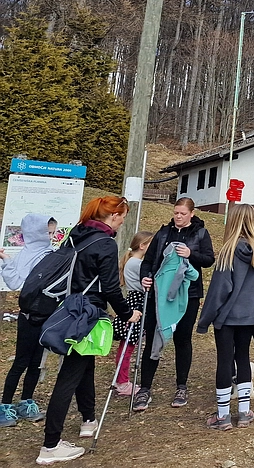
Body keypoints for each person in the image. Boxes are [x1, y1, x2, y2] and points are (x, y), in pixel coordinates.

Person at [37, 196, 141, 465]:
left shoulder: (76, 235)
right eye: (122, 217)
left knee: (84, 365)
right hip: (88, 313)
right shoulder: (105, 243)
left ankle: (88, 419)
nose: (123, 222)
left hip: (70, 307)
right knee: (69, 376)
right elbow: (111, 288)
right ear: (113, 216)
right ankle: (50, 445)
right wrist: (128, 313)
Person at [197, 204, 254, 431]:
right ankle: (244, 413)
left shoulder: (229, 251)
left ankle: (223, 416)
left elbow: (219, 290)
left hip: (226, 317)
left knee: (224, 360)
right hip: (250, 317)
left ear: (233, 221)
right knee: (242, 357)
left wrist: (204, 320)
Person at [133, 197, 215, 412]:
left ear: (192, 214)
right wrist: (145, 277)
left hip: (189, 294)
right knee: (153, 337)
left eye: (182, 213)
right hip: (159, 294)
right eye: (176, 213)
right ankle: (145, 388)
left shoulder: (200, 233)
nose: (178, 216)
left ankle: (181, 387)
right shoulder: (163, 234)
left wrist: (191, 254)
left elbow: (209, 260)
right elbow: (148, 262)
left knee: (182, 339)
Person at [0, 214, 57, 426]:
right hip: (28, 316)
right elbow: (15, 281)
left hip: (46, 315)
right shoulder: (25, 256)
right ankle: (5, 405)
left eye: (52, 233)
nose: (50, 237)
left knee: (36, 362)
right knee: (21, 361)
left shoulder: (53, 254)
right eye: (47, 233)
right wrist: (7, 261)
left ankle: (26, 400)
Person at [111, 231, 153, 398]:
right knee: (128, 345)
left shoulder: (133, 261)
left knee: (128, 344)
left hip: (135, 302)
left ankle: (121, 380)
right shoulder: (137, 263)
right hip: (136, 304)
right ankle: (122, 382)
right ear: (142, 246)